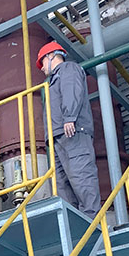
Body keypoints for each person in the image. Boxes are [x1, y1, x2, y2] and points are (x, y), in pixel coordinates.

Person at [36, 41, 101, 218]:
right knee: (63, 185)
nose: (42, 68)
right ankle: (75, 224)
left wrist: (69, 117)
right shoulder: (52, 81)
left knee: (82, 177)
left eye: (42, 62)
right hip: (58, 136)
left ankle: (92, 222)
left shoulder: (68, 69)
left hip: (73, 132)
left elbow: (72, 90)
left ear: (51, 56)